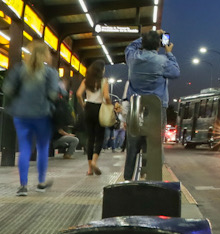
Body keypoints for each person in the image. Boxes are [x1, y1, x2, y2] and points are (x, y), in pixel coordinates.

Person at [2, 40, 62, 196]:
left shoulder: (18, 70)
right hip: (43, 115)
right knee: (42, 148)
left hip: (21, 114)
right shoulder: (50, 72)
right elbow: (53, 93)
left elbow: (7, 89)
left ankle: (23, 186)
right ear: (45, 54)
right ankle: (41, 183)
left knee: (24, 149)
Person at [123, 29, 180, 180]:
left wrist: (149, 35)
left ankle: (128, 179)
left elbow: (130, 46)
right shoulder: (162, 61)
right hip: (156, 109)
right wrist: (169, 52)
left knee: (132, 147)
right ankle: (152, 177)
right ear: (159, 45)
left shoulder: (132, 58)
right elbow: (175, 72)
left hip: (136, 108)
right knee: (154, 146)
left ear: (143, 44)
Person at [76, 58, 110, 176]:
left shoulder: (86, 81)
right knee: (99, 137)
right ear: (101, 70)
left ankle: (90, 169)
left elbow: (78, 94)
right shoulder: (104, 81)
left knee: (90, 138)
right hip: (99, 109)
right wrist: (110, 105)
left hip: (88, 108)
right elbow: (106, 96)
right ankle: (95, 162)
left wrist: (83, 105)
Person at [51, 87, 79, 160]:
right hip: (55, 140)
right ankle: (68, 154)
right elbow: (59, 130)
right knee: (75, 140)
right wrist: (69, 134)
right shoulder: (59, 115)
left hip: (51, 138)